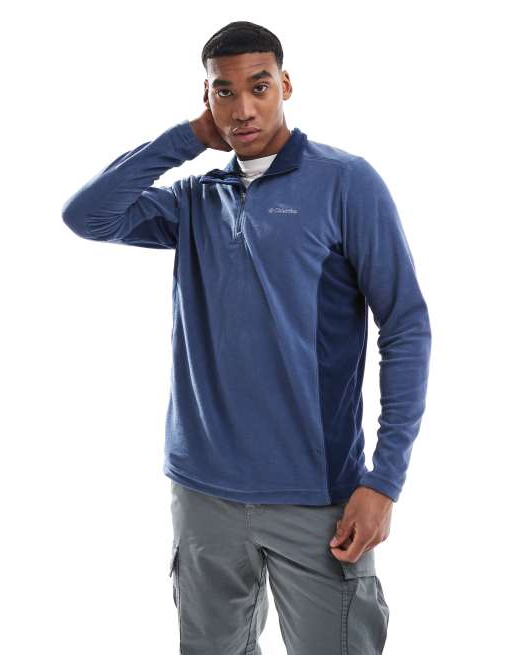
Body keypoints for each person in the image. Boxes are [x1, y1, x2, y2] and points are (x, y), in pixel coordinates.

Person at [62, 20, 431, 655]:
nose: (243, 109)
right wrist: (187, 139)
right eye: (224, 92)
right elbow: (87, 215)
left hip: (316, 494)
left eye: (259, 87)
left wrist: (385, 479)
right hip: (202, 490)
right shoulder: (194, 200)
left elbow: (406, 326)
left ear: (285, 84)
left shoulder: (346, 182)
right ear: (206, 98)